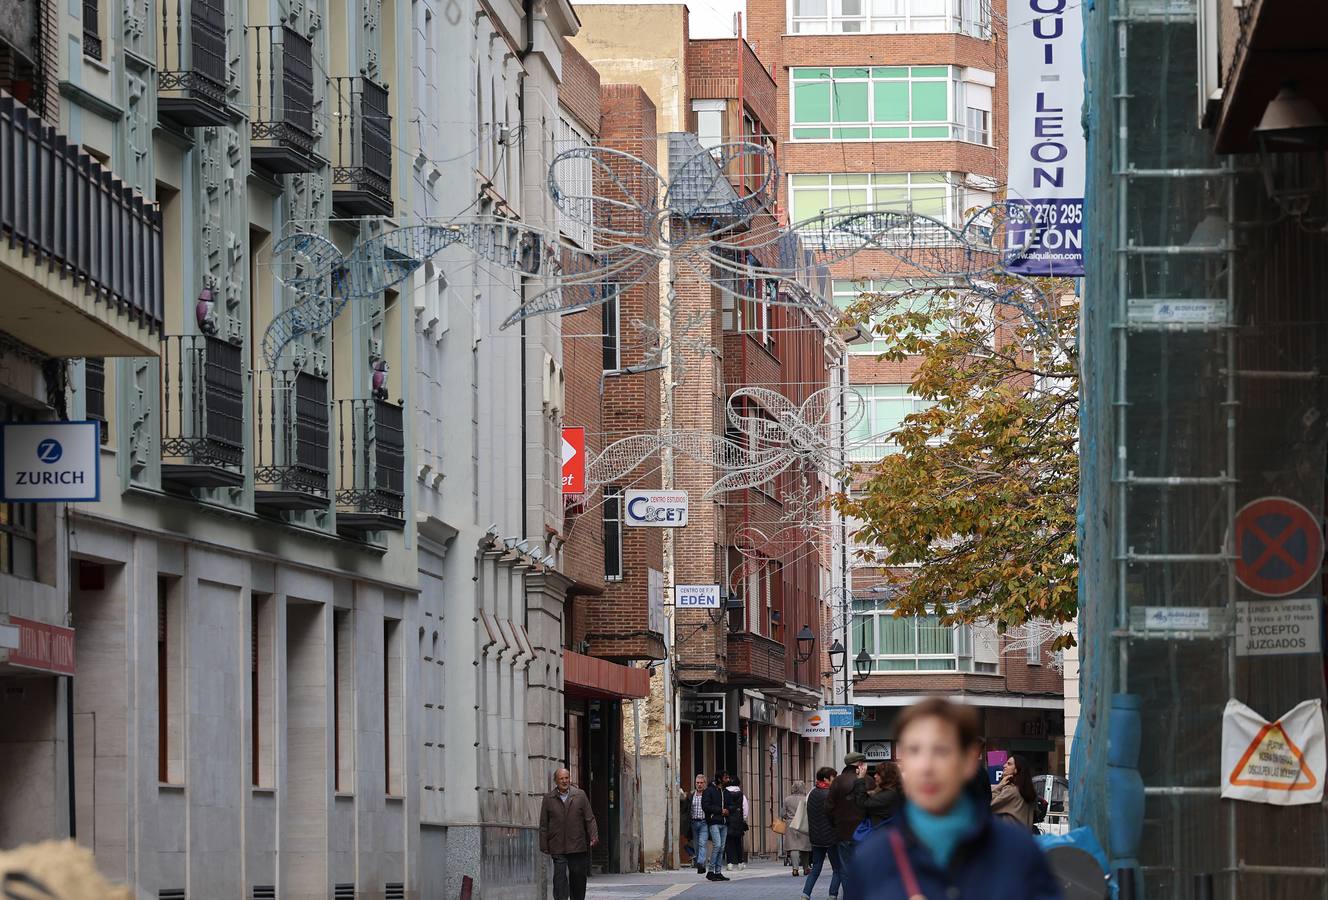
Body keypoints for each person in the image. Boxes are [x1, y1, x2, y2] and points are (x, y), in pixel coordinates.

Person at [846, 699, 1062, 899]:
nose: (926, 767)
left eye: (941, 751)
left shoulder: (1018, 852)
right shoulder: (873, 858)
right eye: (913, 751)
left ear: (968, 761)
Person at [539, 768, 599, 900]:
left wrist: (593, 835)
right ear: (556, 781)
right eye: (561, 778)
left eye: (566, 778)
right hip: (557, 844)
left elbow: (590, 818)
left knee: (577, 876)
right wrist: (544, 845)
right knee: (559, 878)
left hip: (577, 844)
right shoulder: (548, 798)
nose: (564, 781)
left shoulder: (580, 795)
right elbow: (544, 824)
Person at [799, 767, 843, 900]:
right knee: (837, 868)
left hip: (815, 837)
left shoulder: (812, 793)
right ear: (826, 779)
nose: (835, 780)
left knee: (816, 868)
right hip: (831, 837)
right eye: (833, 778)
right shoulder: (831, 794)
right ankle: (832, 894)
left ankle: (805, 894)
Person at [826, 751, 868, 891]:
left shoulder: (838, 781)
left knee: (845, 867)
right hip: (864, 832)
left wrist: (836, 824)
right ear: (860, 764)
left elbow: (828, 808)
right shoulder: (868, 781)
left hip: (843, 832)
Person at [990, 754, 1038, 832]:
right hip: (1024, 837)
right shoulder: (1029, 791)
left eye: (1009, 764)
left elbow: (988, 803)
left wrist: (999, 786)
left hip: (1009, 837)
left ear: (1016, 770)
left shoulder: (1011, 791)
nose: (1004, 766)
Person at [701, 771, 731, 882]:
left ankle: (718, 872)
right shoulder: (709, 791)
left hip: (724, 823)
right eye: (725, 778)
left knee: (722, 848)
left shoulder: (726, 792)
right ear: (719, 779)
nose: (728, 780)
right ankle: (710, 871)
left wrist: (729, 810)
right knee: (717, 845)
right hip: (714, 822)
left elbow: (732, 805)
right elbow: (705, 806)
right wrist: (720, 811)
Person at [857, 761, 901, 829]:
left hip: (883, 831)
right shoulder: (893, 790)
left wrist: (860, 779)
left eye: (878, 774)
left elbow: (863, 803)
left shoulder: (889, 794)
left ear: (886, 776)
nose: (875, 776)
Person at [782, 780, 812, 876]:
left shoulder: (787, 799)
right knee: (805, 847)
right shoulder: (806, 799)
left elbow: (782, 813)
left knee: (793, 847)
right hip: (803, 823)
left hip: (791, 824)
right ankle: (806, 868)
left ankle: (795, 869)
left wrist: (788, 817)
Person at [686, 774, 710, 874]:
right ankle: (701, 863)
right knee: (696, 845)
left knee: (702, 843)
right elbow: (687, 808)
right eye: (697, 783)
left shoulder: (708, 794)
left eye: (701, 783)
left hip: (704, 822)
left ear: (705, 783)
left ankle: (700, 863)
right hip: (694, 822)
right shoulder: (692, 794)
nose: (699, 785)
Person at [725, 776, 749, 870]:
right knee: (738, 842)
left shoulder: (725, 794)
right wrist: (743, 818)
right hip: (738, 821)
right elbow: (745, 809)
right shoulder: (741, 795)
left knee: (728, 843)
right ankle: (740, 862)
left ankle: (729, 863)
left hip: (728, 820)